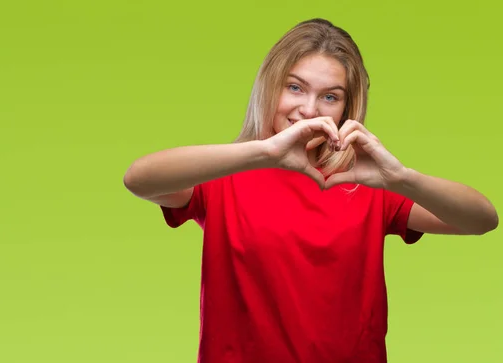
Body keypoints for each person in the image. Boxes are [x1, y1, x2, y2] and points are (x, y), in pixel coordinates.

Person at [122, 18, 498, 363]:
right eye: (295, 87)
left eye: (330, 97)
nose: (309, 109)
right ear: (270, 86)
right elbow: (139, 179)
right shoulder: (225, 175)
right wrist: (264, 151)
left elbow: (481, 219)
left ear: (347, 109)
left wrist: (401, 177)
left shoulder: (365, 183)